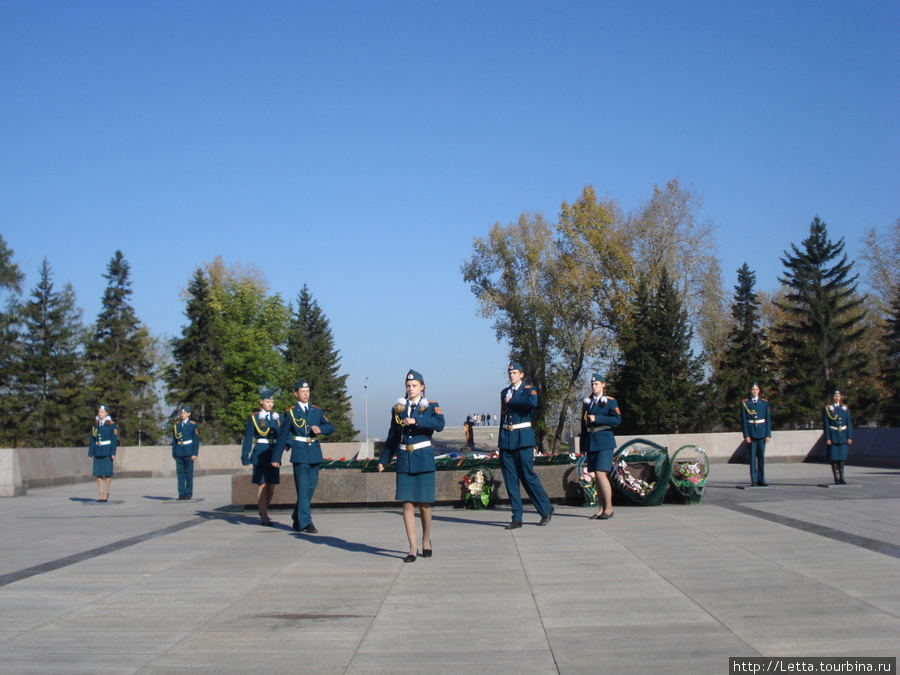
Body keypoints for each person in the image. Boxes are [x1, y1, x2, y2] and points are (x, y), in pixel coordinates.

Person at [378, 369, 445, 562]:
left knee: (424, 504)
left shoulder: (431, 406)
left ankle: (425, 540)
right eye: (408, 386)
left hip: (423, 457)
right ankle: (412, 547)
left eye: (414, 385)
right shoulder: (398, 408)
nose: (411, 388)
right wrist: (384, 460)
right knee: (407, 503)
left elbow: (440, 423)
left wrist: (417, 420)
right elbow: (392, 435)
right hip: (404, 459)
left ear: (422, 387)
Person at [272, 379, 334, 534]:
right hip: (299, 452)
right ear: (296, 393)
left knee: (311, 487)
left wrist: (320, 429)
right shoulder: (291, 412)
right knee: (303, 488)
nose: (306, 394)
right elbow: (283, 436)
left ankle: (297, 516)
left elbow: (330, 427)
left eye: (307, 391)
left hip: (314, 452)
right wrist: (276, 457)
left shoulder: (316, 411)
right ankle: (306, 522)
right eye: (302, 391)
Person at [498, 361, 553, 528]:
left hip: (523, 438)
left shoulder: (529, 390)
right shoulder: (504, 392)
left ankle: (545, 508)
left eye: (515, 373)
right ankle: (517, 517)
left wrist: (512, 401)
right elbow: (504, 416)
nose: (512, 375)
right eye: (510, 373)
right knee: (510, 480)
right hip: (507, 439)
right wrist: (500, 440)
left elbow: (532, 404)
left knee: (528, 476)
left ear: (521, 374)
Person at [579, 374, 621, 520]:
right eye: (592, 384)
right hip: (591, 441)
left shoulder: (610, 402)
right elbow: (583, 426)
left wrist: (598, 418)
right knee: (596, 476)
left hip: (604, 441)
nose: (594, 386)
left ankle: (609, 508)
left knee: (601, 473)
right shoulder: (587, 403)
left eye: (596, 383)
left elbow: (616, 420)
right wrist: (582, 445)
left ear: (603, 385)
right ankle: (601, 508)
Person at [241, 388, 281, 526]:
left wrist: (286, 445)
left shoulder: (277, 417)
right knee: (262, 484)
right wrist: (245, 456)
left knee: (272, 486)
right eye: (267, 401)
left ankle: (263, 508)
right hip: (260, 453)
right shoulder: (254, 417)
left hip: (273, 452)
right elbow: (248, 438)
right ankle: (264, 516)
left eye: (272, 401)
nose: (270, 404)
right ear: (261, 401)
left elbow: (283, 434)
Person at [740, 382, 771, 486]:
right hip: (751, 432)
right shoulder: (746, 403)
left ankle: (762, 479)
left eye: (756, 389)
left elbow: (767, 419)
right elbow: (744, 420)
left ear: (759, 390)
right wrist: (746, 435)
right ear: (749, 390)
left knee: (761, 457)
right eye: (753, 390)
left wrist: (768, 434)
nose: (755, 391)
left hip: (762, 432)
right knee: (752, 458)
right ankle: (754, 480)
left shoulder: (764, 403)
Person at [88, 404, 118, 502]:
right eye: (99, 412)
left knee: (107, 473)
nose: (100, 414)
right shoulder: (95, 425)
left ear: (106, 413)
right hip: (98, 450)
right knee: (99, 473)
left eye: (102, 412)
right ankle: (100, 493)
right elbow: (92, 439)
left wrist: (113, 452)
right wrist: (90, 453)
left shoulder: (111, 424)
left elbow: (114, 439)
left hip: (107, 450)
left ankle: (106, 492)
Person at [823, 388, 853, 485]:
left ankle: (842, 478)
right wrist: (827, 438)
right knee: (834, 458)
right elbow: (826, 424)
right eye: (835, 396)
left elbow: (848, 423)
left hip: (842, 436)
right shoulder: (828, 409)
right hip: (833, 436)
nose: (837, 398)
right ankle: (836, 478)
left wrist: (850, 436)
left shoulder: (844, 408)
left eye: (838, 396)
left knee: (842, 459)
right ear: (832, 397)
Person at [171, 405, 199, 500]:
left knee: (189, 474)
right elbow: (174, 440)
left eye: (184, 413)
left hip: (188, 451)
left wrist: (195, 453)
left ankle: (188, 493)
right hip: (179, 451)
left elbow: (195, 440)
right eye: (181, 413)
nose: (182, 415)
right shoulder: (177, 425)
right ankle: (181, 493)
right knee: (180, 474)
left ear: (188, 414)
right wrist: (174, 453)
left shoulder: (192, 425)